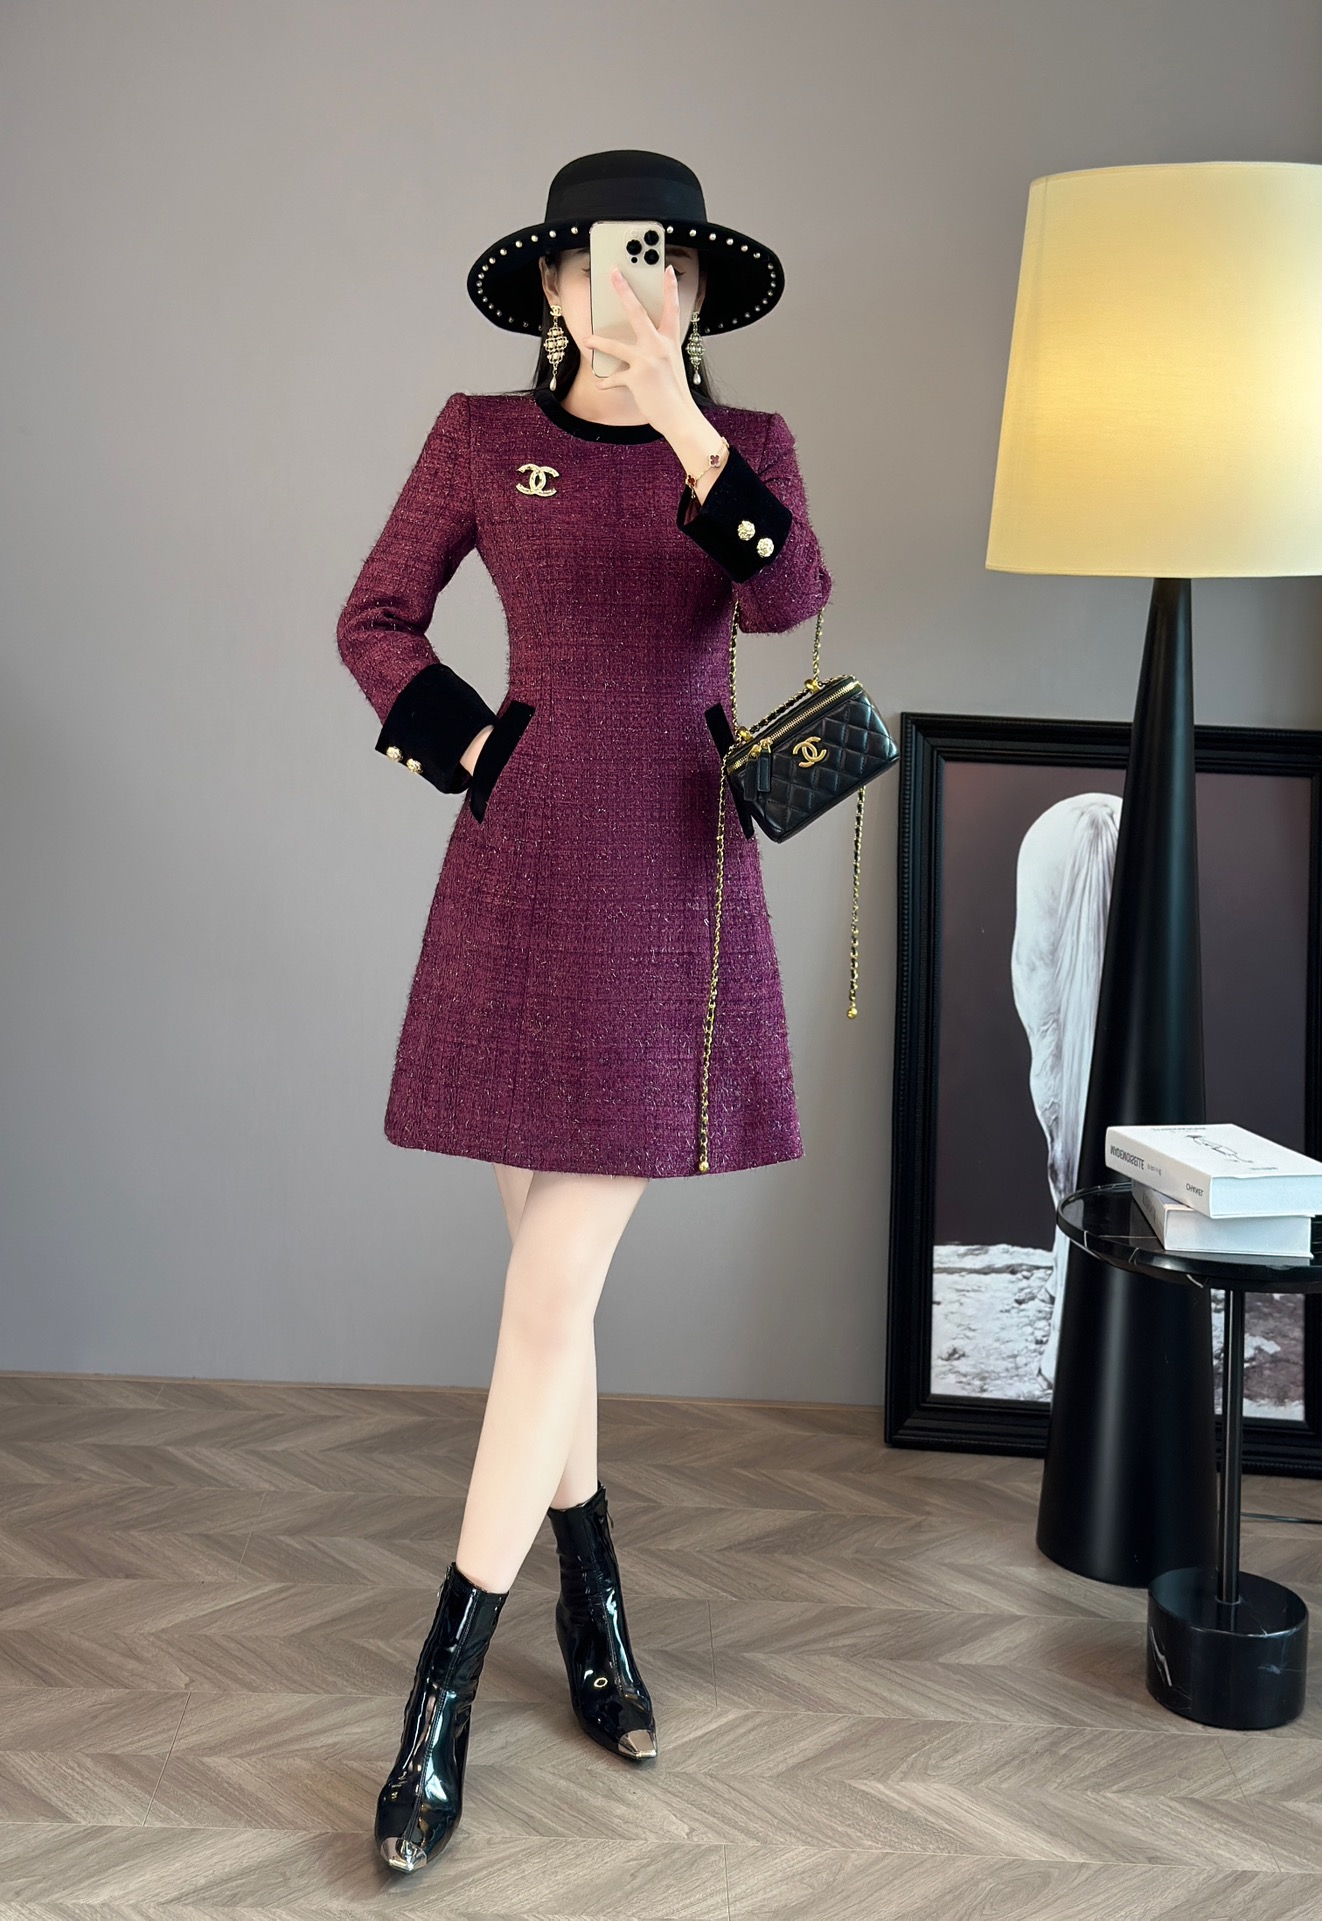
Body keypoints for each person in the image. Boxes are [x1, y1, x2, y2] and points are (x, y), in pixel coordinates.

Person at [335, 149, 831, 1873]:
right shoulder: (482, 435)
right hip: (521, 869)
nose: (632, 290)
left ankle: (439, 1698)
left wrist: (682, 421)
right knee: (557, 1299)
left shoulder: (745, 444)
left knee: (550, 1292)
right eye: (603, 263)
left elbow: (789, 599)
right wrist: (473, 745)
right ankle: (594, 1604)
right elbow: (375, 617)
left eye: (662, 264)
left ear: (692, 287)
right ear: (549, 285)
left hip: (674, 888)